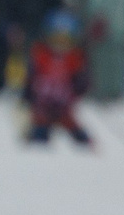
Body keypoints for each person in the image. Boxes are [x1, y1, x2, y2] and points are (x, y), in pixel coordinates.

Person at [25, 12, 95, 148]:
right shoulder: (41, 55)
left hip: (64, 106)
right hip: (42, 105)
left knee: (79, 136)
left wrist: (80, 85)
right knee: (39, 133)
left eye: (65, 41)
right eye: (56, 39)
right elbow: (30, 78)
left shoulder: (74, 58)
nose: (60, 45)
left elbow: (81, 79)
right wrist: (28, 93)